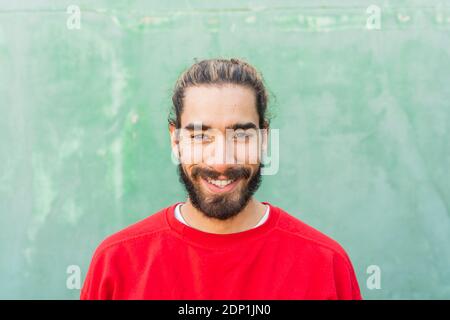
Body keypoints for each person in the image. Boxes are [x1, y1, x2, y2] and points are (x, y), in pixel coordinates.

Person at [81, 58, 362, 300]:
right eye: (200, 136)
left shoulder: (326, 265)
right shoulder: (115, 263)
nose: (222, 161)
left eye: (240, 135)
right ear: (175, 140)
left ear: (264, 138)